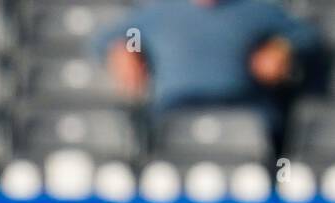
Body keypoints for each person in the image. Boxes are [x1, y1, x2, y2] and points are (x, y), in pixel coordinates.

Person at [93, 0, 321, 145]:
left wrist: (280, 48)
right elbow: (109, 39)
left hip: (247, 115)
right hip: (172, 114)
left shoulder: (257, 10)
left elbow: (307, 36)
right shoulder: (158, 12)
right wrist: (125, 49)